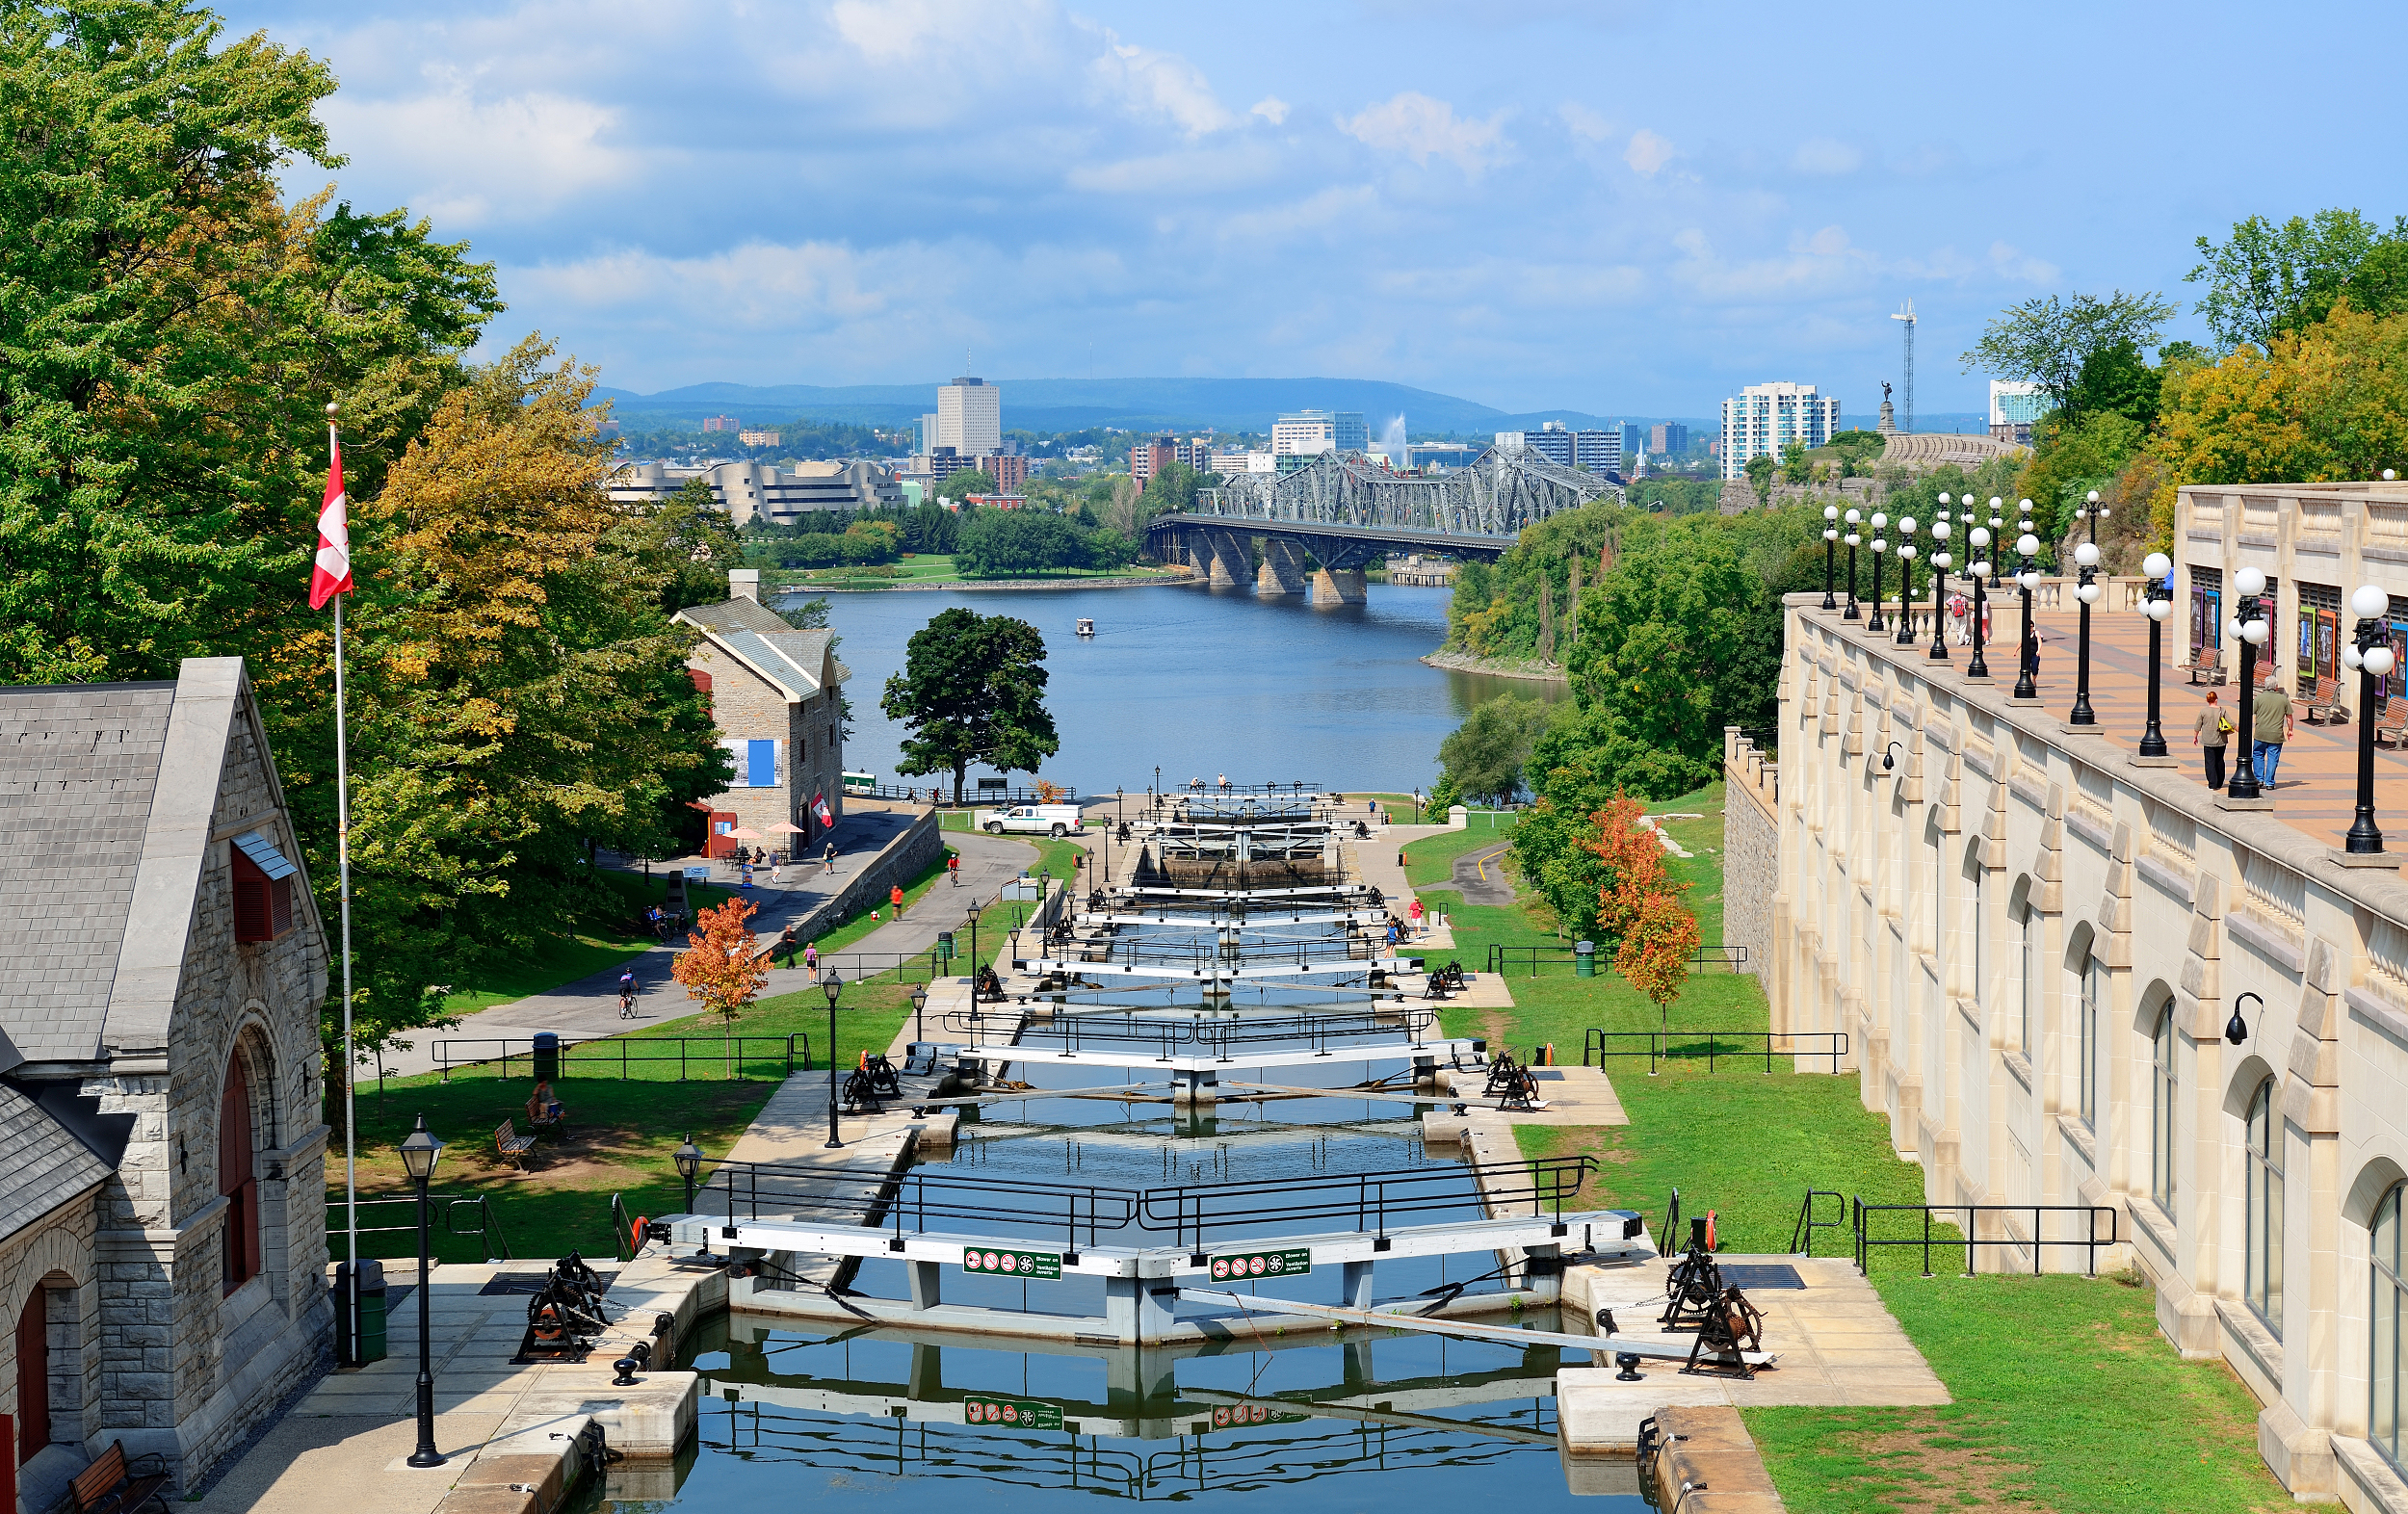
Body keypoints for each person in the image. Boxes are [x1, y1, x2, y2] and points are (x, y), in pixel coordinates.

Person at [2254, 676, 2295, 788]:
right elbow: (2289, 717)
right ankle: (2269, 782)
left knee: (2258, 754)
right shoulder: (2283, 699)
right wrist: (2290, 730)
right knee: (2273, 758)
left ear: (2265, 686)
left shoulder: (2259, 698)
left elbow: (2251, 712)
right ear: (2276, 687)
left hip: (2260, 733)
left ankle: (2259, 779)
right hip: (2276, 734)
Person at [2192, 692, 2231, 791]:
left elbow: (2197, 726)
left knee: (2210, 762)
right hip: (2221, 740)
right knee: (2220, 760)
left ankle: (2212, 784)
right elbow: (2232, 723)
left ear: (2208, 701)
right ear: (2216, 700)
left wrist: (2195, 737)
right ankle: (2219, 782)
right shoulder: (2222, 711)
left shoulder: (2203, 711)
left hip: (2208, 740)